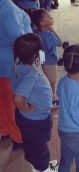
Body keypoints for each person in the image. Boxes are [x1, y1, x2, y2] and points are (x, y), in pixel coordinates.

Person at [12, 33, 58, 172]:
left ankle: (35, 165)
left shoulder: (20, 63)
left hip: (31, 119)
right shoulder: (30, 74)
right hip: (35, 119)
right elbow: (17, 98)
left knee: (33, 143)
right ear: (35, 54)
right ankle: (44, 169)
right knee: (39, 146)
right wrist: (26, 108)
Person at [0, 0, 32, 149]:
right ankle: (18, 137)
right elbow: (19, 38)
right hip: (9, 63)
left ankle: (4, 130)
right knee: (14, 101)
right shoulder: (4, 6)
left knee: (3, 100)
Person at [30, 9, 62, 107]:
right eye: (48, 17)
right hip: (50, 63)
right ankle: (51, 100)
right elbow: (60, 42)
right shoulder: (49, 35)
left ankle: (45, 97)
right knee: (52, 82)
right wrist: (53, 31)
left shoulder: (35, 32)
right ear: (42, 23)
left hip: (41, 61)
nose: (51, 18)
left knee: (43, 78)